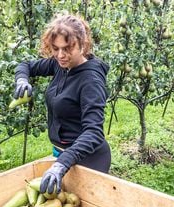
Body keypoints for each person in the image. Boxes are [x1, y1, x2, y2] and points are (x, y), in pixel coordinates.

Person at [13, 13, 111, 195]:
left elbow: (94, 132)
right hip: (63, 156)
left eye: (67, 48)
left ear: (83, 44)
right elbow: (25, 65)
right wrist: (21, 80)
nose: (60, 55)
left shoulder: (91, 81)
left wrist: (61, 164)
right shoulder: (60, 65)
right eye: (55, 48)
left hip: (88, 160)